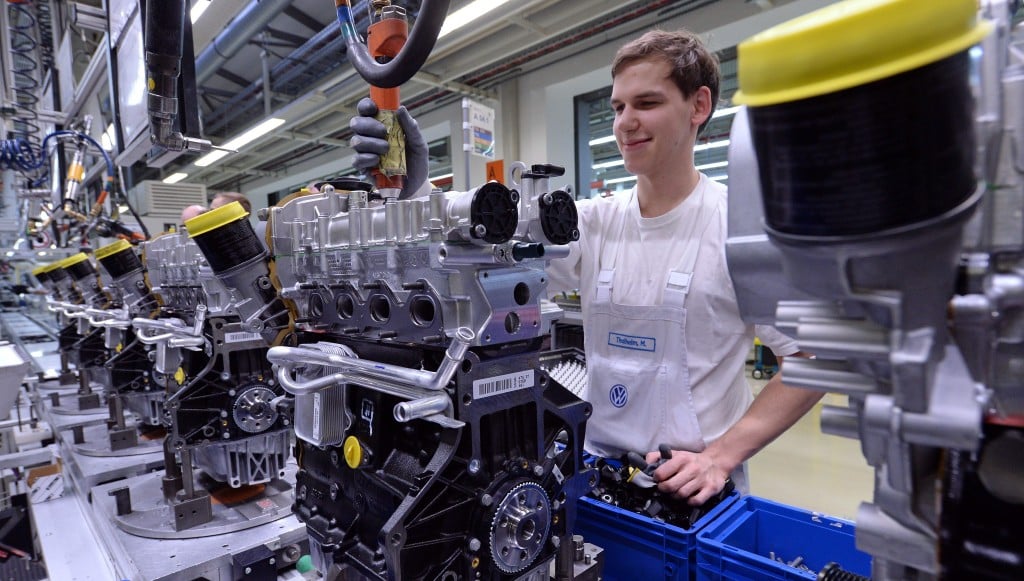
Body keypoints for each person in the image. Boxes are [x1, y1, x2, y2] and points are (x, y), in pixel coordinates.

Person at [349, 29, 822, 506]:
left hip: (693, 491)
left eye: (647, 103)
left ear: (698, 106)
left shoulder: (737, 228)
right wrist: (415, 188)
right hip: (595, 477)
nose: (625, 123)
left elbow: (811, 358)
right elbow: (480, 250)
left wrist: (720, 456)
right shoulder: (592, 223)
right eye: (618, 108)